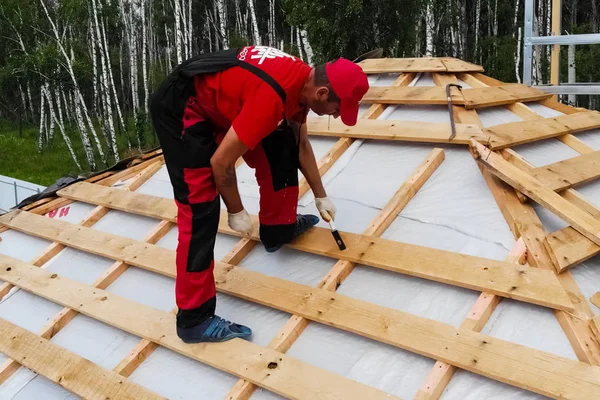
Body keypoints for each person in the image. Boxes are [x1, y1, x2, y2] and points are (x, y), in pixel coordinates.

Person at [149, 45, 369, 344]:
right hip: (183, 107)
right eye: (337, 108)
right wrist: (236, 211)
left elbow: (299, 144)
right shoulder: (272, 97)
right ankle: (193, 319)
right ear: (322, 93)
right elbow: (221, 163)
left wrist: (320, 196)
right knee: (200, 207)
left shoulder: (303, 84)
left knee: (282, 146)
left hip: (222, 100)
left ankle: (278, 229)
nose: (337, 115)